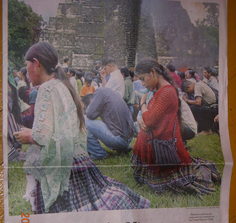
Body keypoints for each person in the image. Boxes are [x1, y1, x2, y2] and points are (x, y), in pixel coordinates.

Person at [14, 41, 149, 213]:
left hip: (64, 162)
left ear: (36, 64)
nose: (26, 73)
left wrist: (29, 135)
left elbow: (44, 136)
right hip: (77, 158)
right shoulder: (62, 85)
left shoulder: (46, 89)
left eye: (27, 66)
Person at [131, 58, 220, 195]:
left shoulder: (166, 92)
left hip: (162, 148)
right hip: (157, 143)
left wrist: (142, 104)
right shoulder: (161, 90)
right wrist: (145, 119)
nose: (142, 84)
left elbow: (149, 120)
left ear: (153, 72)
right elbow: (151, 119)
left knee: (169, 182)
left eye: (143, 79)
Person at [84, 87, 135, 159]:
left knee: (84, 121)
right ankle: (123, 148)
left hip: (120, 140)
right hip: (128, 138)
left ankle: (98, 153)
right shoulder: (108, 92)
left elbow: (90, 114)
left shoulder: (99, 92)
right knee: (101, 124)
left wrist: (88, 108)